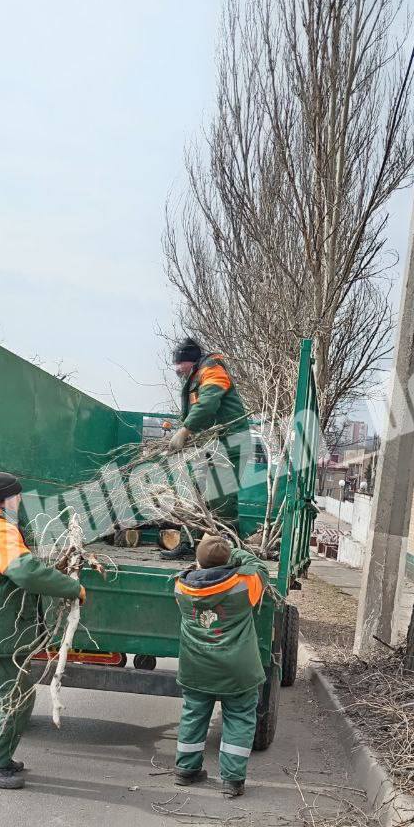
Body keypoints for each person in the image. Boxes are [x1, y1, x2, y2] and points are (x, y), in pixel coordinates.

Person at [0, 471, 86, 790]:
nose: (19, 500)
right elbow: (25, 571)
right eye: (16, 495)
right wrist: (71, 587)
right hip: (0, 630)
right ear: (6, 499)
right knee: (17, 697)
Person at [173, 533, 270, 798]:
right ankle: (232, 781)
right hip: (237, 670)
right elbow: (260, 568)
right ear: (228, 560)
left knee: (194, 714)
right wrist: (234, 551)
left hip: (196, 667)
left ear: (198, 561)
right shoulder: (244, 586)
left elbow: (197, 573)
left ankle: (186, 771)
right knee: (239, 717)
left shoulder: (181, 588)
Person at [161, 338, 250, 560]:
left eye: (179, 364)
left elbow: (208, 403)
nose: (177, 369)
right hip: (209, 443)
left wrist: (185, 430)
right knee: (195, 494)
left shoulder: (212, 370)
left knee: (221, 498)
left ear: (190, 361)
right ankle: (188, 546)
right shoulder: (196, 377)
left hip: (229, 442)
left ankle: (231, 550)